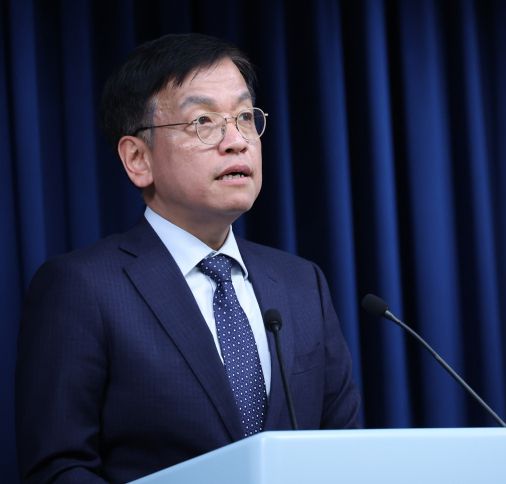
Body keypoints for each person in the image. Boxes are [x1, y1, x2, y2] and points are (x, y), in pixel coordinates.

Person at [15, 33, 360, 483]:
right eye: (203, 121)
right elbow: (59, 468)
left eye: (244, 117)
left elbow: (344, 452)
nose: (236, 141)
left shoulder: (301, 283)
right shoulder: (82, 288)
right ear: (138, 159)